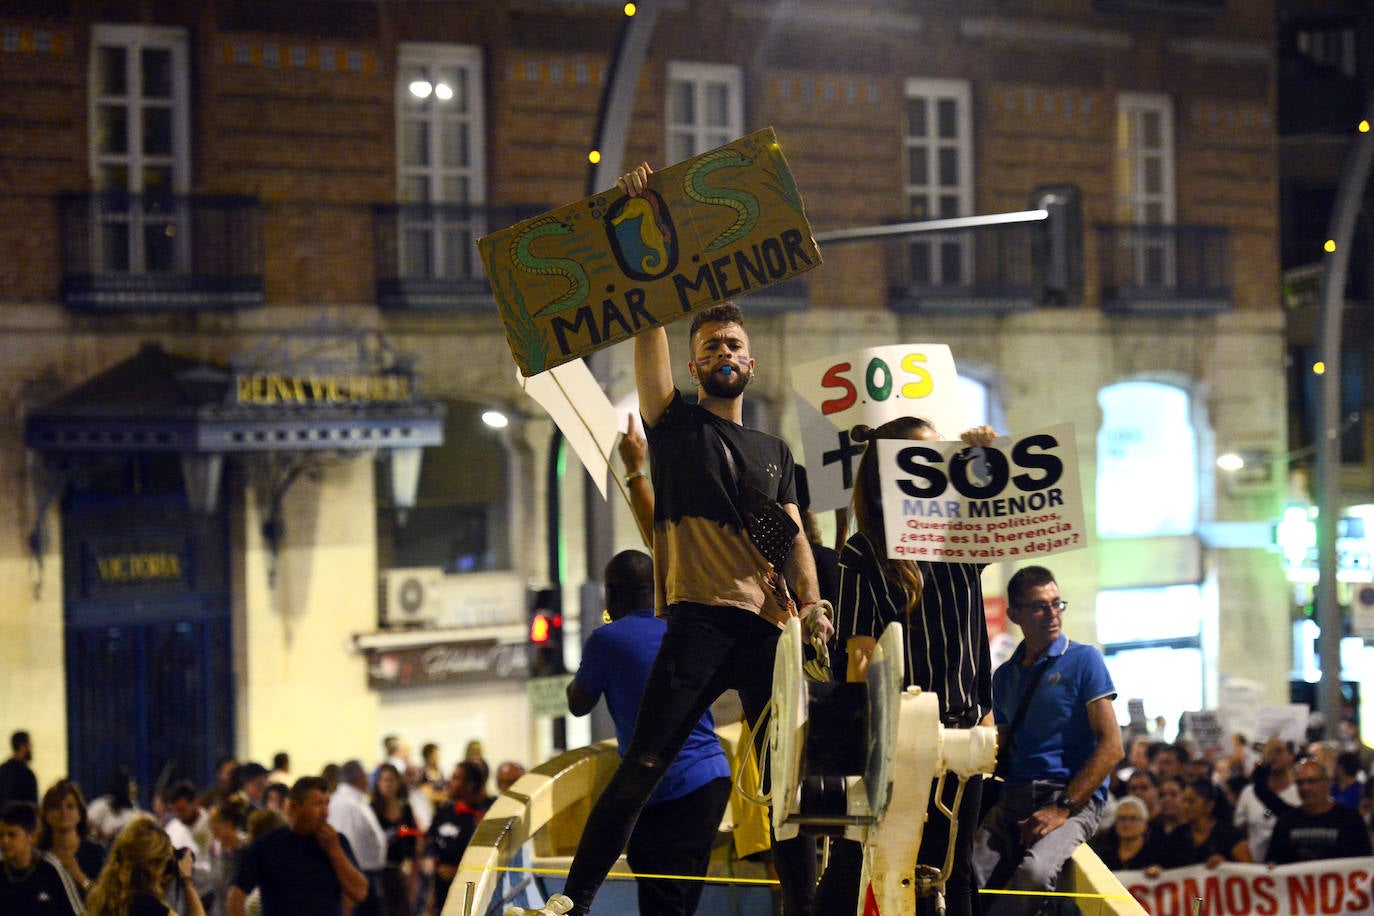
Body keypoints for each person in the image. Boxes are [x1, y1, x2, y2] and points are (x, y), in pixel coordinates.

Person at [507, 164, 831, 916]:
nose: (724, 352)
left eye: (734, 344)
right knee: (643, 763)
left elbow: (793, 540)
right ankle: (572, 901)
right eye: (711, 344)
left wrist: (812, 608)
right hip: (697, 623)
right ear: (693, 365)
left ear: (751, 362)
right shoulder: (675, 425)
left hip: (765, 627)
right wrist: (637, 215)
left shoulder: (776, 453)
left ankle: (808, 908)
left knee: (786, 777)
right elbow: (644, 325)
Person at [815, 415, 998, 916]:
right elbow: (859, 655)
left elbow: (1003, 524)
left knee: (954, 869)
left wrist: (983, 458)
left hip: (964, 729)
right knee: (859, 862)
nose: (936, 460)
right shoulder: (863, 553)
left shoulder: (960, 536)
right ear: (890, 467)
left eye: (939, 452)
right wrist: (864, 738)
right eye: (925, 453)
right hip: (898, 737)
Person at [566, 549, 733, 916]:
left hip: (670, 787)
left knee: (659, 895)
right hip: (713, 780)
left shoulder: (607, 640)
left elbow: (578, 704)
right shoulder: (682, 628)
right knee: (678, 899)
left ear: (612, 593)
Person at [971, 565, 1123, 914]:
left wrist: (1062, 808)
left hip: (1072, 800)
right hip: (1016, 798)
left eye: (1057, 604)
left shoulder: (1085, 660)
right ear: (1014, 614)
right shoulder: (1005, 677)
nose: (1053, 614)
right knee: (968, 879)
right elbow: (1004, 750)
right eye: (1040, 606)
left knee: (1035, 874)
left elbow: (1112, 747)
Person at [226, 775, 368, 916]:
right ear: (294, 807)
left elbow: (359, 893)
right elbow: (235, 897)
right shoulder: (267, 846)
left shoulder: (337, 842)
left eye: (327, 804)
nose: (325, 813)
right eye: (317, 804)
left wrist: (334, 850)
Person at [86, 816, 206, 916]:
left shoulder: (104, 897)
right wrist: (187, 880)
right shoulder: (146, 905)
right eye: (165, 862)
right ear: (153, 865)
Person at [1267, 757, 1373, 864]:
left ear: (1326, 783)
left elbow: (1364, 864)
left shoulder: (1350, 820)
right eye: (1300, 783)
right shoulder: (1285, 823)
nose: (1305, 788)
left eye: (1311, 781)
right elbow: (1273, 860)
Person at [426, 760, 488, 915]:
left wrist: (460, 872)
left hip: (471, 894)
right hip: (442, 892)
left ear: (470, 785)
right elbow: (430, 842)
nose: (449, 782)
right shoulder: (445, 811)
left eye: (455, 778)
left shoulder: (484, 815)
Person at [0, 801, 84, 915]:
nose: (5, 841)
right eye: (1, 835)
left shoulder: (51, 869)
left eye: (12, 835)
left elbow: (78, 913)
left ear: (32, 838)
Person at [327, 760, 387, 916]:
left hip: (357, 873)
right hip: (361, 873)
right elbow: (362, 842)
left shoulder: (344, 801)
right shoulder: (351, 804)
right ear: (360, 779)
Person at [1155, 779, 1249, 868]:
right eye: (1184, 801)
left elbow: (1249, 870)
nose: (1185, 806)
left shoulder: (1230, 835)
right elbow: (1163, 867)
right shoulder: (1177, 835)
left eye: (1191, 802)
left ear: (1209, 806)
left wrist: (1226, 866)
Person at [1232, 736, 1298, 863]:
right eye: (1268, 752)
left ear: (1291, 756)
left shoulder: (1300, 793)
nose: (1273, 756)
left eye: (1278, 751)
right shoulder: (1249, 793)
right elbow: (1239, 833)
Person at [38, 778, 106, 898]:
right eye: (56, 807)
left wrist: (79, 876)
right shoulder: (39, 855)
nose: (64, 811)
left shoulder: (96, 852)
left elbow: (105, 899)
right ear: (46, 815)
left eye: (70, 806)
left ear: (80, 813)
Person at [370, 763, 420, 916]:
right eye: (383, 780)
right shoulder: (371, 810)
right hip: (380, 871)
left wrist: (411, 863)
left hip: (402, 871)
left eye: (391, 780)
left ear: (398, 782)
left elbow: (413, 839)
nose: (387, 784)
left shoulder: (405, 808)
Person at [205, 796, 248, 916]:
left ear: (228, 823)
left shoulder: (246, 848)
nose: (211, 827)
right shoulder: (213, 850)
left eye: (214, 822)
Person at [1087, 796, 1157, 871]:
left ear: (1145, 824)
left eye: (1133, 818)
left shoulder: (1156, 855)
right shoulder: (1103, 856)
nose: (1126, 824)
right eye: (1122, 819)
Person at [88, 767, 143, 846]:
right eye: (130, 783)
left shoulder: (134, 808)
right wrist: (101, 833)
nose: (134, 786)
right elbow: (87, 824)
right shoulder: (102, 805)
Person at [0, 731, 38, 807]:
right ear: (22, 746)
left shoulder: (2, 770)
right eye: (29, 745)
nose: (31, 748)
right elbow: (33, 805)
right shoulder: (28, 774)